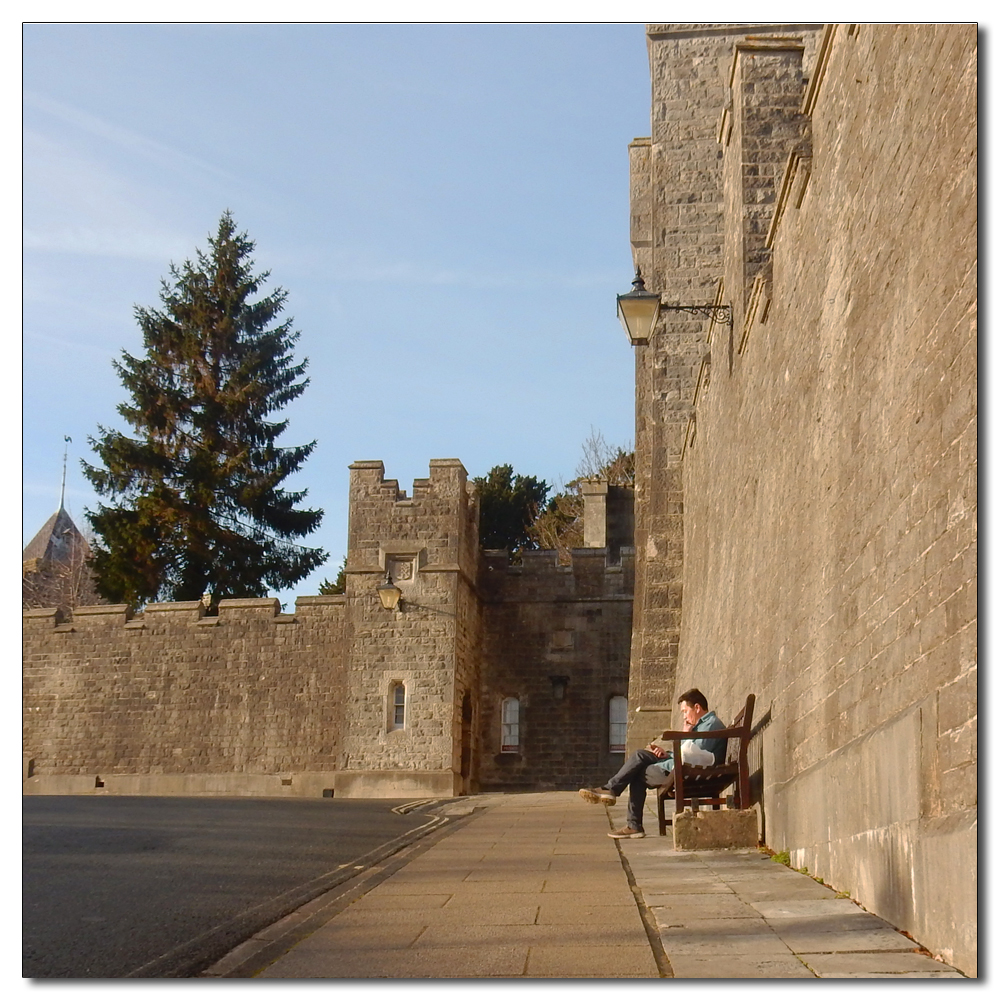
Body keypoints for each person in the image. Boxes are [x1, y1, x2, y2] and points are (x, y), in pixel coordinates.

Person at [579, 688, 727, 838]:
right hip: (679, 765)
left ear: (697, 707)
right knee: (640, 755)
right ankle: (611, 791)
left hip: (687, 772)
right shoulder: (702, 725)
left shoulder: (710, 724)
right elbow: (690, 753)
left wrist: (684, 735)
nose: (684, 716)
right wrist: (666, 754)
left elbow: (694, 754)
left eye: (685, 711)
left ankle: (629, 818)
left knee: (637, 773)